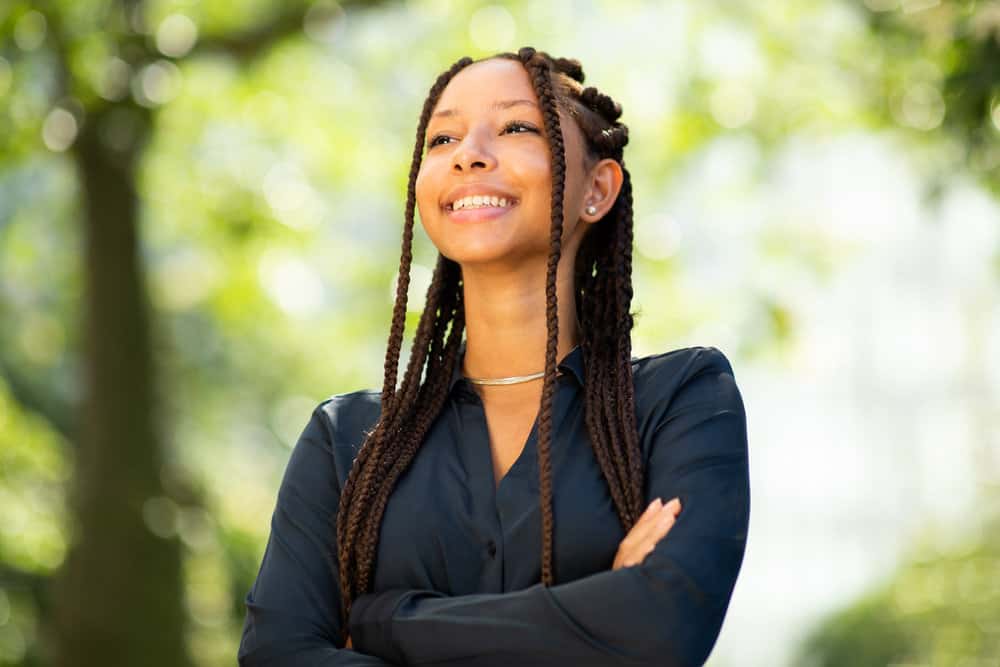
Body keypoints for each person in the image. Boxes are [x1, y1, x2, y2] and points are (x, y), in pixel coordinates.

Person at [237, 46, 750, 667]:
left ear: (597, 187)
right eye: (442, 137)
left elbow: (662, 630)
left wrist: (384, 622)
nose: (469, 152)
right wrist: (598, 612)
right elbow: (278, 655)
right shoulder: (346, 441)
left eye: (515, 127)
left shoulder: (681, 401)